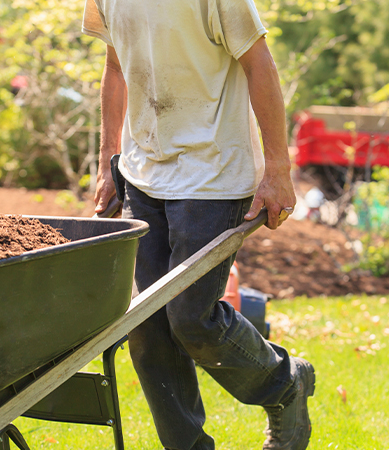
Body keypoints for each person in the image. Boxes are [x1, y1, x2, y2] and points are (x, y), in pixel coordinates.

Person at [82, 0, 315, 449]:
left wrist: (279, 169)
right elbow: (115, 68)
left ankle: (285, 383)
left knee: (191, 318)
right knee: (148, 327)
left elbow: (259, 63)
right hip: (143, 171)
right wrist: (106, 162)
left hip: (214, 172)